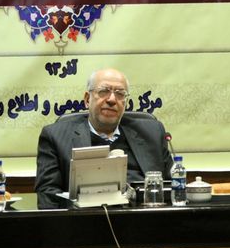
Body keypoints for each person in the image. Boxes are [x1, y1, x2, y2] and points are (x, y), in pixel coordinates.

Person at [35, 68, 173, 194]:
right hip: (86, 212)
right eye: (103, 91)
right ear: (87, 99)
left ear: (126, 102)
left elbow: (173, 186)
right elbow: (47, 194)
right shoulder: (55, 136)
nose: (112, 99)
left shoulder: (152, 133)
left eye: (120, 94)